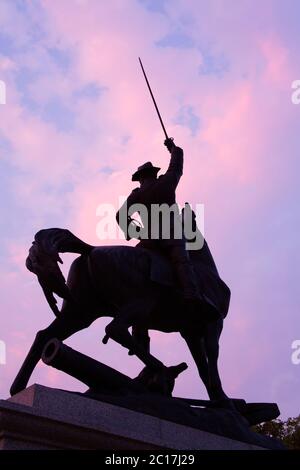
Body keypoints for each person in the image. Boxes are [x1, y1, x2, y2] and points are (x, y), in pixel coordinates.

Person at [116, 138, 201, 309]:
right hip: (172, 234)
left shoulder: (137, 195)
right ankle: (192, 296)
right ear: (154, 174)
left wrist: (135, 232)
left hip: (149, 241)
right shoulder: (166, 182)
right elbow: (177, 166)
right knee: (182, 261)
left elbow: (120, 216)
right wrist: (173, 148)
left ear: (140, 178)